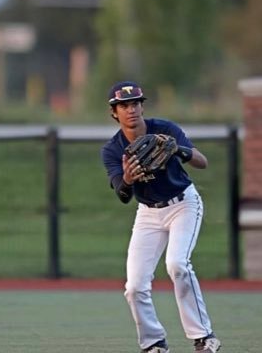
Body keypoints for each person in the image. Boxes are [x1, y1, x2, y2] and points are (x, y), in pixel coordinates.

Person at [101, 81, 221, 353]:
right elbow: (123, 196)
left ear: (142, 106)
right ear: (114, 113)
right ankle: (154, 343)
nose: (130, 110)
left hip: (183, 205)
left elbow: (202, 161)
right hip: (148, 214)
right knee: (134, 286)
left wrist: (178, 149)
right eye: (123, 106)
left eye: (135, 103)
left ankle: (204, 337)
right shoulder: (112, 149)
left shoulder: (165, 129)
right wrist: (128, 179)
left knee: (177, 264)